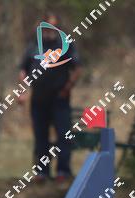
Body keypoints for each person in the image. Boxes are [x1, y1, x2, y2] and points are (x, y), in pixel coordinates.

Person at [17, 13, 82, 183]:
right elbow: (23, 69)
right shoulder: (33, 45)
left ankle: (63, 171)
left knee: (63, 135)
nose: (49, 31)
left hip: (59, 99)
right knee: (41, 137)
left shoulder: (65, 44)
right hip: (38, 100)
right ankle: (42, 172)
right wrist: (22, 91)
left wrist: (67, 87)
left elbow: (77, 68)